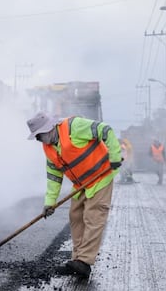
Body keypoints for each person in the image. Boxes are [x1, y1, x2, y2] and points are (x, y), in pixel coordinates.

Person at [26, 111, 122, 278]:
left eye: (39, 136)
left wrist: (115, 156)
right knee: (75, 216)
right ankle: (77, 259)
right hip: (81, 184)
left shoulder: (74, 126)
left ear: (49, 129)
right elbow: (54, 177)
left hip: (101, 176)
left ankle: (84, 261)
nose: (38, 140)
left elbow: (105, 129)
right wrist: (50, 202)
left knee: (93, 216)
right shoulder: (49, 149)